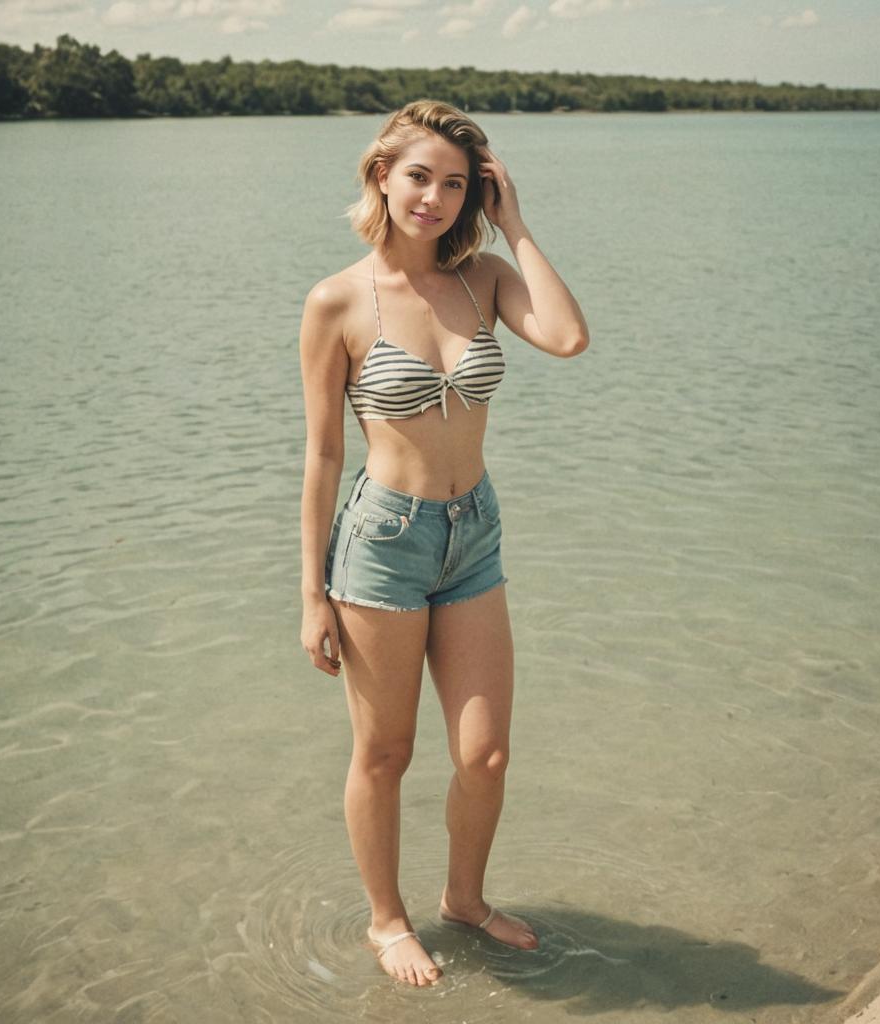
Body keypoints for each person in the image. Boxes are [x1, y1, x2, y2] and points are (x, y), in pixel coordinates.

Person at [298, 99, 589, 988]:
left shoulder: (486, 279)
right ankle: (388, 921)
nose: (434, 197)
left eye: (456, 184)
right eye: (420, 175)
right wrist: (311, 594)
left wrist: (518, 223)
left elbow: (570, 338)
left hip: (475, 533)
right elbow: (322, 454)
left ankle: (464, 900)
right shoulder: (337, 300)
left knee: (485, 754)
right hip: (383, 542)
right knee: (386, 753)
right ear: (381, 175)